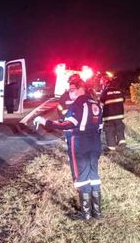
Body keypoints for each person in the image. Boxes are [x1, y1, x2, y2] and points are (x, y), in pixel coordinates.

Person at [33, 77, 103, 220]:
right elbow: (100, 126)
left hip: (80, 143)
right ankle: (97, 212)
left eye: (72, 90)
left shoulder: (78, 103)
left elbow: (68, 125)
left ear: (80, 89)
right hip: (95, 142)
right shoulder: (94, 102)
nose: (70, 94)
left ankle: (86, 214)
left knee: (82, 177)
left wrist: (44, 121)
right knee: (94, 176)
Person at [99, 75, 126, 151]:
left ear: (105, 83)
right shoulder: (119, 90)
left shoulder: (105, 91)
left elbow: (101, 102)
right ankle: (122, 141)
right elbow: (123, 99)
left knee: (109, 130)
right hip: (119, 115)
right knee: (119, 128)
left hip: (109, 115)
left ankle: (112, 147)